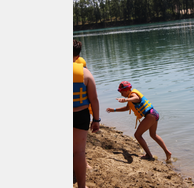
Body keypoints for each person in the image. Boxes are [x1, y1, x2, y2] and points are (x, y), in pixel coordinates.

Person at [106, 81, 172, 161]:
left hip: (150, 115)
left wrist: (126, 99)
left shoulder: (133, 95)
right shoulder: (130, 98)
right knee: (153, 135)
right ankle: (167, 152)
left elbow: (137, 98)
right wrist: (114, 110)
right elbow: (127, 108)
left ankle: (149, 155)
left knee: (137, 135)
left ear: (127, 90)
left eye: (122, 92)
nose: (121, 94)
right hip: (154, 113)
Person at [73, 39, 100, 188]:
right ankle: (82, 186)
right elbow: (94, 99)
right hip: (80, 115)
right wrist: (96, 119)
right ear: (78, 57)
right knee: (79, 152)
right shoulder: (86, 74)